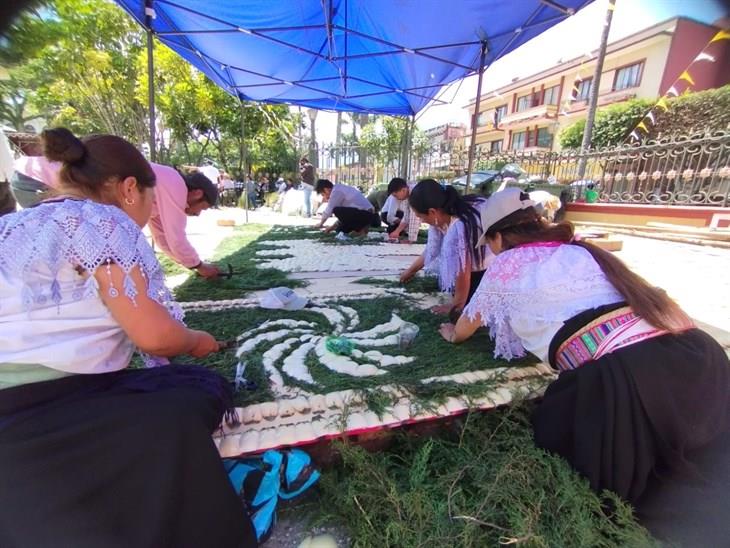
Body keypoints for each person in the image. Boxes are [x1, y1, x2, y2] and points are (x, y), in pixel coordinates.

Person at [0, 128, 256, 547]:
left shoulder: (14, 225)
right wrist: (194, 341)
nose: (149, 213)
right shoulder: (103, 223)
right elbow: (155, 337)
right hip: (50, 405)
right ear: (130, 189)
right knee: (192, 392)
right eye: (152, 202)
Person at [439, 187, 730, 544]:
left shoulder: (507, 264)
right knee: (708, 467)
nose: (492, 250)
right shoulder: (581, 251)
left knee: (618, 486)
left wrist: (451, 332)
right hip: (696, 357)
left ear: (498, 237)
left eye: (491, 242)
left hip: (628, 382)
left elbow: (469, 323)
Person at [400, 179, 492, 317]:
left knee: (471, 308)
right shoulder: (442, 215)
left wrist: (456, 308)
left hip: (489, 269)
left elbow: (462, 270)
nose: (421, 221)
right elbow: (431, 249)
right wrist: (410, 271)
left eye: (420, 216)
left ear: (432, 212)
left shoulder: (458, 226)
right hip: (476, 266)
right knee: (457, 291)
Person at [147, 164, 222, 278]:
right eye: (202, 208)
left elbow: (162, 239)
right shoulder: (176, 185)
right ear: (198, 194)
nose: (197, 214)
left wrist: (195, 265)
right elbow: (176, 239)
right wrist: (199, 266)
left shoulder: (163, 197)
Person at [314, 178, 379, 238]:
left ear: (326, 190)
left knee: (336, 210)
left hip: (368, 216)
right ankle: (359, 229)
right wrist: (331, 228)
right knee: (339, 230)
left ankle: (361, 231)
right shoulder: (339, 189)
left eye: (323, 194)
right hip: (365, 215)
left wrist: (321, 223)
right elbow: (345, 216)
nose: (324, 197)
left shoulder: (336, 191)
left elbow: (329, 210)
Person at [381, 177, 420, 243]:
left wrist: (411, 240)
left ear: (403, 190)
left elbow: (414, 218)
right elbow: (406, 216)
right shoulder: (407, 194)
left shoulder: (415, 194)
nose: (396, 198)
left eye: (396, 196)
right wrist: (397, 232)